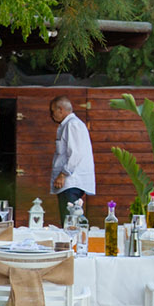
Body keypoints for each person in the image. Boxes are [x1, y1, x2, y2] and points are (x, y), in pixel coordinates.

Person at [49, 95, 95, 224]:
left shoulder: (72, 125)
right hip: (69, 182)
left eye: (53, 112)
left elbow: (76, 153)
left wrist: (63, 174)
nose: (52, 116)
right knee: (69, 219)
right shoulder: (68, 124)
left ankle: (74, 243)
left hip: (71, 181)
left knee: (70, 221)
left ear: (61, 110)